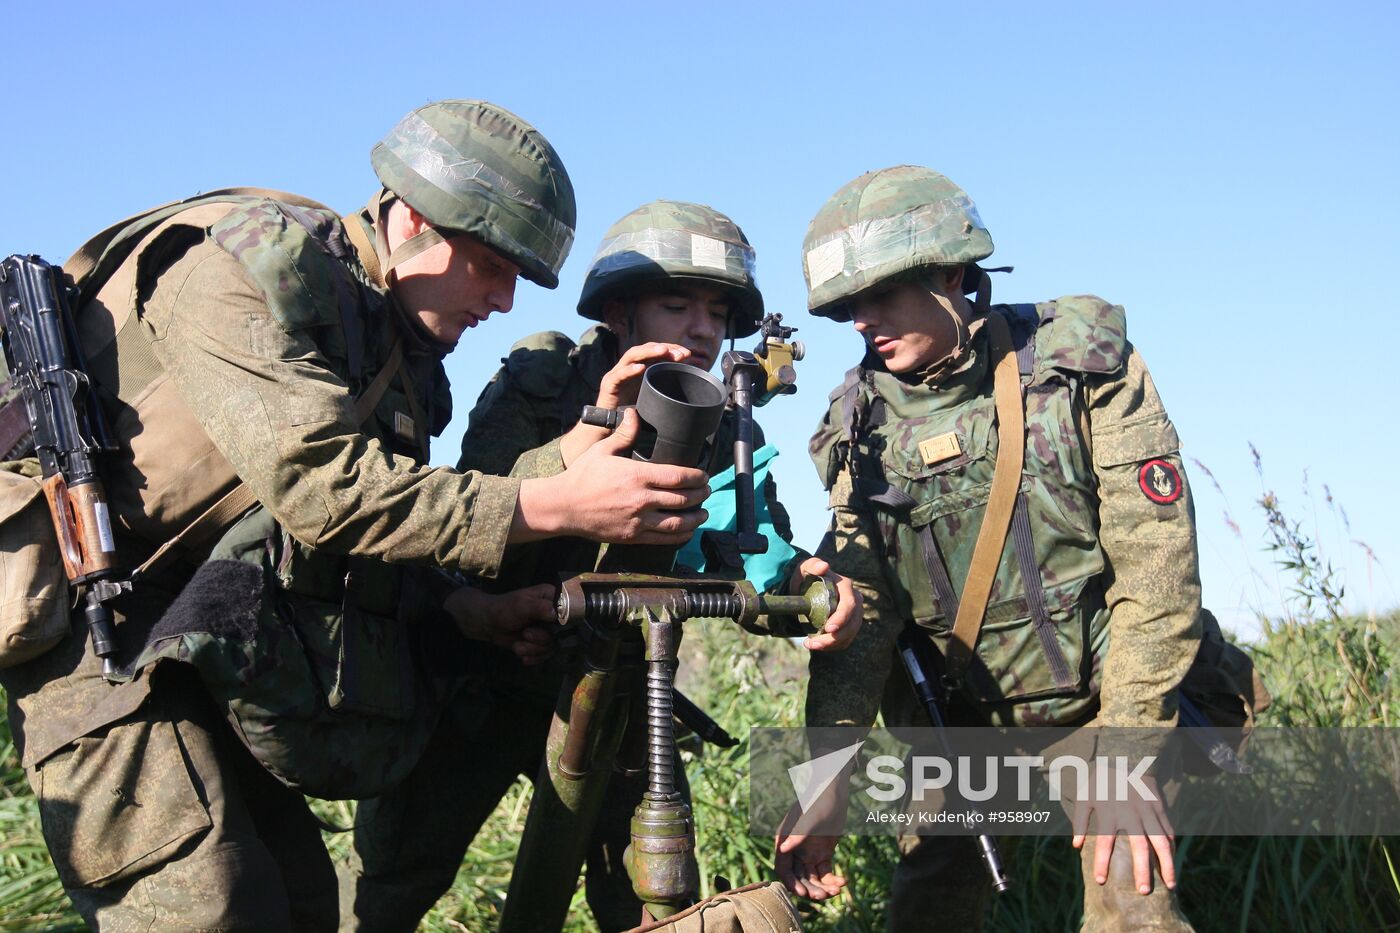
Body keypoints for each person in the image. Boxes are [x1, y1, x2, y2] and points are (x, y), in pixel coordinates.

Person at [0, 100, 714, 932]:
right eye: (489, 263)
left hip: (213, 643)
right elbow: (325, 488)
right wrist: (551, 499)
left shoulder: (389, 349)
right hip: (102, 634)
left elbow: (370, 541)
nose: (504, 299)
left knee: (303, 908)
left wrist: (472, 608)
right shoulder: (242, 263)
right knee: (211, 911)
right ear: (411, 217)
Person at [342, 200, 861, 932]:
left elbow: (757, 544)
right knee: (392, 884)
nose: (704, 328)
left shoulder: (724, 424)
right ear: (618, 312)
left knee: (648, 897)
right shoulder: (546, 378)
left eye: (718, 311)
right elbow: (471, 506)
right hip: (487, 678)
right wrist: (587, 441)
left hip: (619, 689)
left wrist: (810, 580)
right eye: (677, 304)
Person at [774, 165, 1202, 931]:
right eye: (849, 307)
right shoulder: (856, 425)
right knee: (929, 909)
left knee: (1134, 900)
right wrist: (825, 777)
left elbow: (1157, 566)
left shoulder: (1080, 363)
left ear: (951, 271)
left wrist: (1130, 745)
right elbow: (860, 619)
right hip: (960, 723)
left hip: (1105, 703)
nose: (863, 321)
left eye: (882, 295)